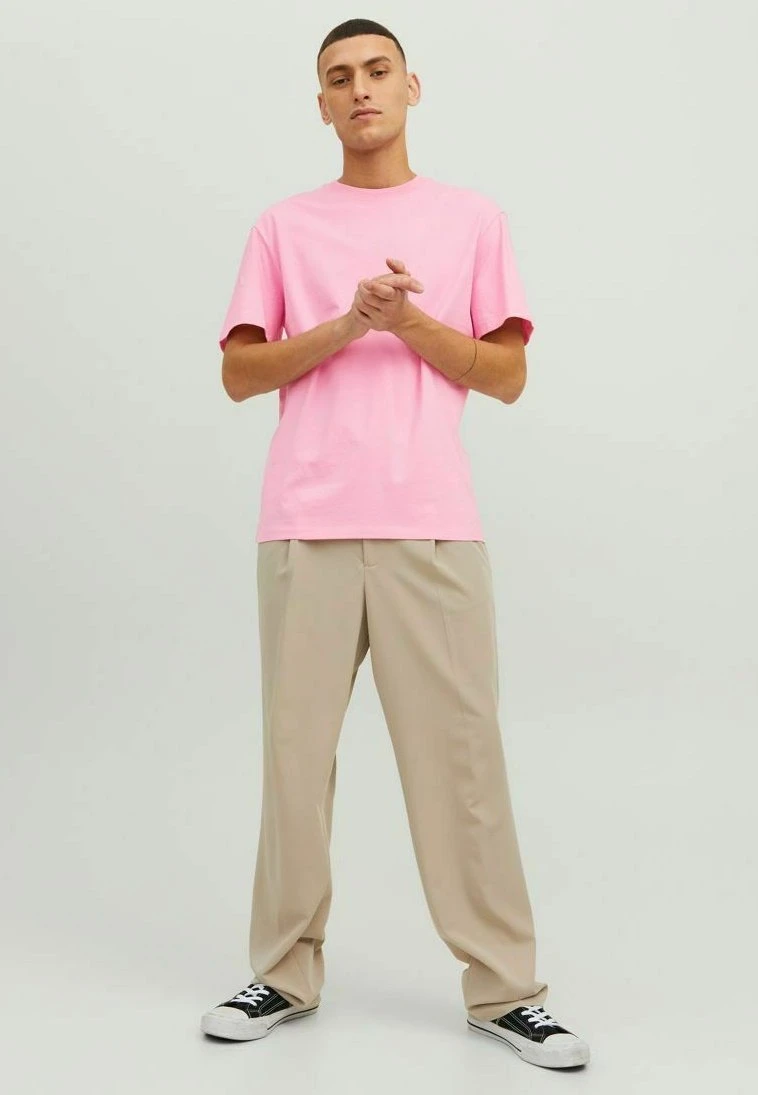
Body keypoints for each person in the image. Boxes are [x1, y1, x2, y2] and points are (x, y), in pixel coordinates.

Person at [200, 18, 590, 1071]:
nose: (360, 89)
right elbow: (239, 374)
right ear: (320, 103)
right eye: (339, 78)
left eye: (377, 71)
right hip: (305, 527)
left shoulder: (470, 220)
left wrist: (407, 323)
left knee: (461, 763)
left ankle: (506, 990)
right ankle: (283, 974)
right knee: (294, 763)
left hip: (431, 527)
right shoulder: (284, 227)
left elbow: (506, 376)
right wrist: (348, 321)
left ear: (412, 87)